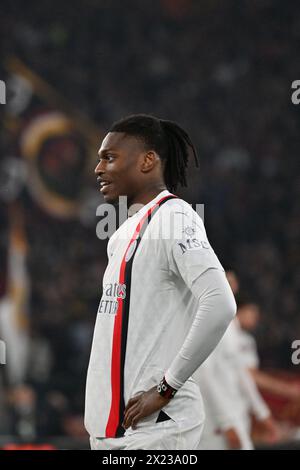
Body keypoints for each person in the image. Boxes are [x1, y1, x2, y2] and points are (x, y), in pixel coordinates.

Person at [85, 114, 236, 450]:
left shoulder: (176, 217)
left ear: (148, 160)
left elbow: (220, 303)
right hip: (114, 434)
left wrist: (168, 387)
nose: (98, 169)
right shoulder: (121, 235)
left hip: (157, 431)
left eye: (109, 158)